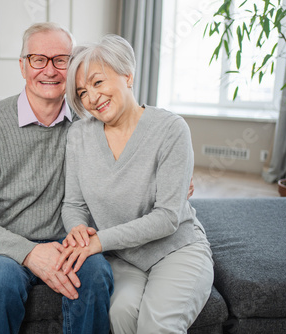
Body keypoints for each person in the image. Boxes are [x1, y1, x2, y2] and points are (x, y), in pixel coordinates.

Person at [0, 22, 113, 334]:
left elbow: (133, 132)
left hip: (68, 241)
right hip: (1, 245)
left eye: (61, 60)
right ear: (23, 66)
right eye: (38, 59)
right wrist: (30, 252)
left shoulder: (89, 124)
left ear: (73, 67)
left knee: (97, 275)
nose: (49, 70)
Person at [58, 34, 214, 334]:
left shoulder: (171, 129)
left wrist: (99, 241)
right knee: (119, 315)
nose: (91, 97)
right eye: (82, 91)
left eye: (98, 82)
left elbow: (168, 217)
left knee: (156, 326)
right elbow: (73, 204)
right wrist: (77, 227)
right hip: (122, 258)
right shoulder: (78, 135)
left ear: (127, 75)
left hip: (175, 249)